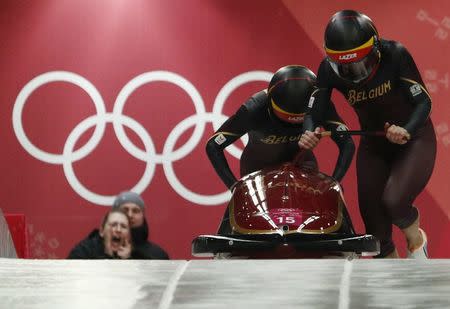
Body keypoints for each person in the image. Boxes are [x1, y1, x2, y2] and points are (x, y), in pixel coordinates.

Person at [300, 10, 436, 259]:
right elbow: (314, 110)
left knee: (394, 203)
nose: (355, 72)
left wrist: (406, 129)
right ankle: (392, 289)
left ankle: (416, 240)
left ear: (376, 48)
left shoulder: (395, 53)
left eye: (362, 62)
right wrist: (309, 132)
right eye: (346, 67)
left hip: (414, 139)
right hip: (374, 146)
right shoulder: (327, 69)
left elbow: (423, 102)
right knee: (374, 232)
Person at [206, 65, 355, 233]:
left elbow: (347, 142)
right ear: (270, 104)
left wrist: (333, 184)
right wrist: (235, 188)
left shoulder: (321, 103)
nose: (290, 126)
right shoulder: (254, 108)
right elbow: (213, 145)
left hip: (302, 167)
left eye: (298, 122)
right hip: (258, 171)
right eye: (284, 120)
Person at [112, 191, 169, 259]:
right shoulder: (98, 250)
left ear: (143, 216)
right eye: (125, 210)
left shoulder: (157, 255)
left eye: (135, 211)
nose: (130, 215)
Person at [68, 209, 135, 259]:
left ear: (129, 235)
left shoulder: (136, 255)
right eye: (113, 225)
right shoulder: (83, 251)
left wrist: (127, 262)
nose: (118, 230)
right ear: (101, 231)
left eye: (123, 226)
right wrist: (107, 256)